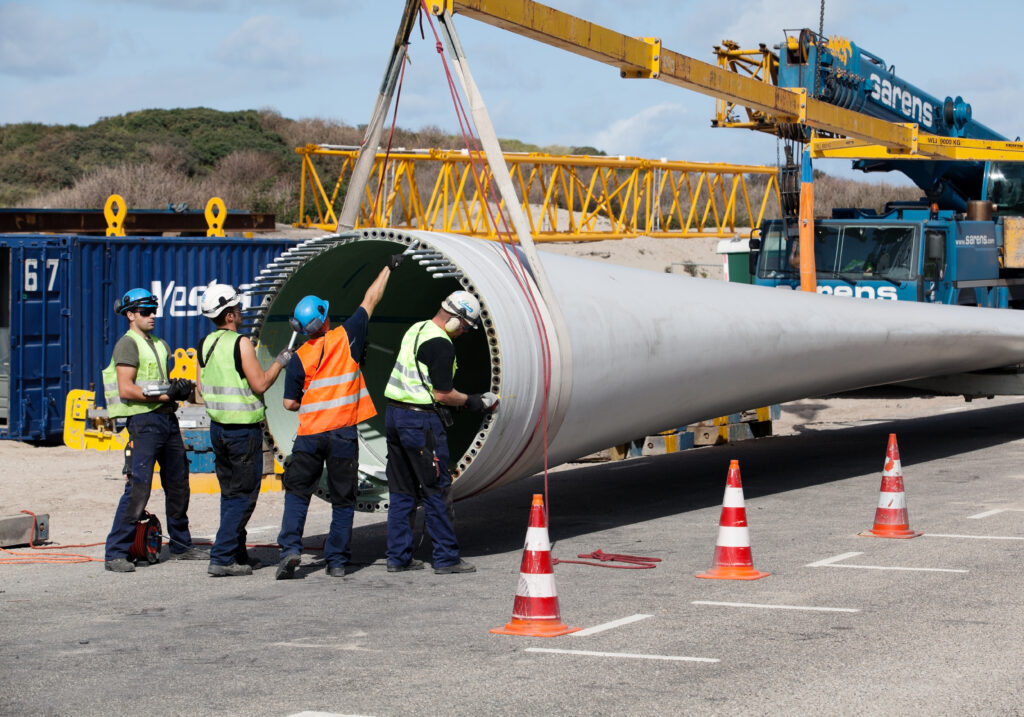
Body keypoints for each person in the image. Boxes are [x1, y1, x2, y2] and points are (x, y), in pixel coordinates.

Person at [275, 265, 392, 579]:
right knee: (343, 500)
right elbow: (371, 299)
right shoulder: (347, 337)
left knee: (298, 493)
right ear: (325, 317)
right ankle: (337, 561)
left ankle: (290, 550)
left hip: (310, 435)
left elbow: (288, 403)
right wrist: (387, 268)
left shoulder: (299, 356)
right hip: (342, 434)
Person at [383, 290, 498, 575]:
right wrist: (475, 402)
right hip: (420, 424)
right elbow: (443, 394)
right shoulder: (442, 344)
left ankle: (398, 557)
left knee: (401, 490)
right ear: (455, 319)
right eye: (466, 327)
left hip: (395, 416)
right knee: (436, 490)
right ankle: (446, 558)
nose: (464, 333)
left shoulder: (417, 329)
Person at [102, 288, 201, 572]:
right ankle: (116, 553)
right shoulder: (128, 344)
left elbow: (157, 383)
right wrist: (166, 395)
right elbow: (127, 388)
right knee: (139, 488)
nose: (152, 316)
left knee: (179, 483)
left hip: (166, 420)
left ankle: (182, 545)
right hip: (143, 423)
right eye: (145, 312)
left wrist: (175, 387)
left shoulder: (159, 344)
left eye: (154, 311)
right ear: (130, 315)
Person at [197, 284, 292, 577]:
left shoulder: (206, 343)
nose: (241, 312)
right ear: (229, 314)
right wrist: (280, 362)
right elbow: (261, 384)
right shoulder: (240, 344)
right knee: (243, 495)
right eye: (237, 308)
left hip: (218, 430)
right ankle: (222, 557)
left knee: (230, 493)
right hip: (241, 433)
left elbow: (201, 391)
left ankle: (237, 553)